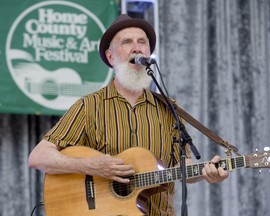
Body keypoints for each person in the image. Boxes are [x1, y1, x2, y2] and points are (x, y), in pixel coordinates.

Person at [28, 14, 228, 216]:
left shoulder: (170, 109)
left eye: (142, 42)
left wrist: (205, 173)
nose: (137, 48)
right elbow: (38, 157)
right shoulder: (89, 106)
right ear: (110, 57)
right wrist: (90, 166)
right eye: (127, 42)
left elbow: (182, 165)